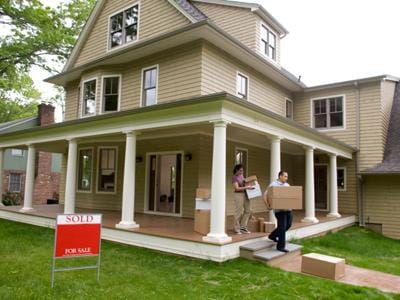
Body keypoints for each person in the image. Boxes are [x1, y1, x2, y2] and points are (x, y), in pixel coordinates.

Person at [263, 171, 293, 252]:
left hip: (288, 209)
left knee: (288, 225)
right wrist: (268, 205)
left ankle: (273, 236)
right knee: (282, 228)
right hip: (279, 211)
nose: (287, 178)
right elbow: (265, 195)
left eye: (287, 176)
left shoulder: (287, 185)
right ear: (280, 176)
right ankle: (280, 246)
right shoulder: (273, 184)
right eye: (285, 176)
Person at [232, 164, 254, 234]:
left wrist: (250, 185)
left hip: (245, 194)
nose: (242, 172)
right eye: (240, 170)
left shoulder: (242, 176)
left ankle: (243, 227)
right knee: (238, 211)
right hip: (238, 195)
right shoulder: (234, 177)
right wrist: (247, 187)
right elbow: (237, 188)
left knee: (248, 210)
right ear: (236, 170)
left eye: (242, 170)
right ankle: (236, 228)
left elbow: (245, 183)